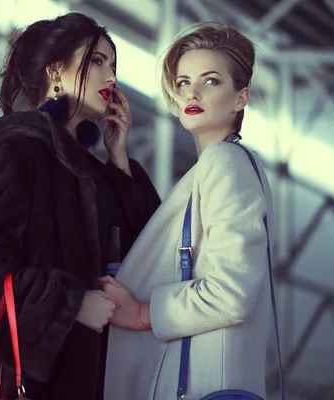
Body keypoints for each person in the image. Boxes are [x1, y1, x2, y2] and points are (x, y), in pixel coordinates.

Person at [0, 12, 160, 400]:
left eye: (114, 65)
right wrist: (70, 303)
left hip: (99, 379)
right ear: (56, 71)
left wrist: (120, 160)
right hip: (32, 386)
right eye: (97, 61)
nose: (111, 78)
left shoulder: (92, 171)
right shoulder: (21, 148)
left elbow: (147, 253)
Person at [102, 22, 275, 399]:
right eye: (183, 83)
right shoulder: (224, 167)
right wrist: (119, 157)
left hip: (203, 386)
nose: (191, 92)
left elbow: (232, 292)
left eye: (210, 81)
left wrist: (141, 313)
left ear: (240, 98)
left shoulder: (223, 161)